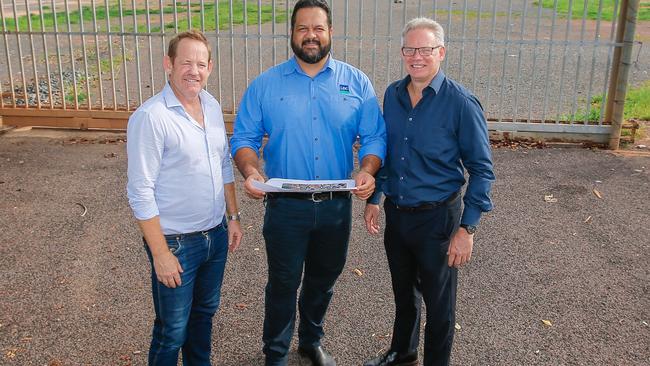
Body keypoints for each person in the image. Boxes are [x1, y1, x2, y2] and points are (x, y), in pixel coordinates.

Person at [230, 1, 386, 365]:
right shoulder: (266, 85)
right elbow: (243, 139)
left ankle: (311, 341)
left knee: (323, 280)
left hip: (335, 206)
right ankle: (276, 352)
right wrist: (251, 172)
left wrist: (368, 169)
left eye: (318, 28)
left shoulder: (356, 82)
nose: (311, 35)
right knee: (283, 284)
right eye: (303, 28)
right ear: (292, 34)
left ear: (330, 32)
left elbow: (375, 137)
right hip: (286, 209)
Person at [363, 18, 495, 366]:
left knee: (440, 305)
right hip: (398, 213)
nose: (416, 56)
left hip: (438, 219)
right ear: (402, 52)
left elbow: (482, 169)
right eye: (410, 49)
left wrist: (467, 230)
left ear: (441, 52)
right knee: (404, 295)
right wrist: (376, 199)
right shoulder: (393, 94)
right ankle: (403, 353)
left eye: (425, 49)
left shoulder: (461, 104)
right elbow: (389, 152)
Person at [126, 30, 243, 366]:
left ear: (210, 68)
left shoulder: (211, 104)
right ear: (168, 64)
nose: (194, 70)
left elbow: (223, 163)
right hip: (176, 243)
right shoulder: (151, 118)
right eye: (186, 63)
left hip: (215, 235)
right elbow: (140, 192)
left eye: (201, 64)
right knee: (172, 330)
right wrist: (160, 253)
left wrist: (232, 218)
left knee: (203, 316)